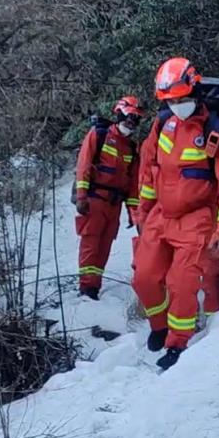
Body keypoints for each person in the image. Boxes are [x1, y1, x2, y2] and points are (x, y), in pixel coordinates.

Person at [131, 57, 219, 371]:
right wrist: (143, 212)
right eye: (171, 100)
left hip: (197, 218)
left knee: (182, 283)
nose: (177, 105)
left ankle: (177, 343)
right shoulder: (162, 124)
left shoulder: (218, 135)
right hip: (160, 215)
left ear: (194, 93)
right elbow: (149, 168)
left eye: (181, 99)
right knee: (144, 278)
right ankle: (159, 325)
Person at [74, 96, 144, 300]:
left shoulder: (131, 147)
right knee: (91, 242)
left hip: (115, 204)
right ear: (119, 113)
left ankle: (94, 285)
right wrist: (81, 196)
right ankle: (86, 287)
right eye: (130, 116)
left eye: (136, 119)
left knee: (105, 245)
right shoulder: (100, 135)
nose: (132, 122)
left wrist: (135, 214)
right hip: (94, 198)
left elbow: (132, 184)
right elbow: (84, 165)